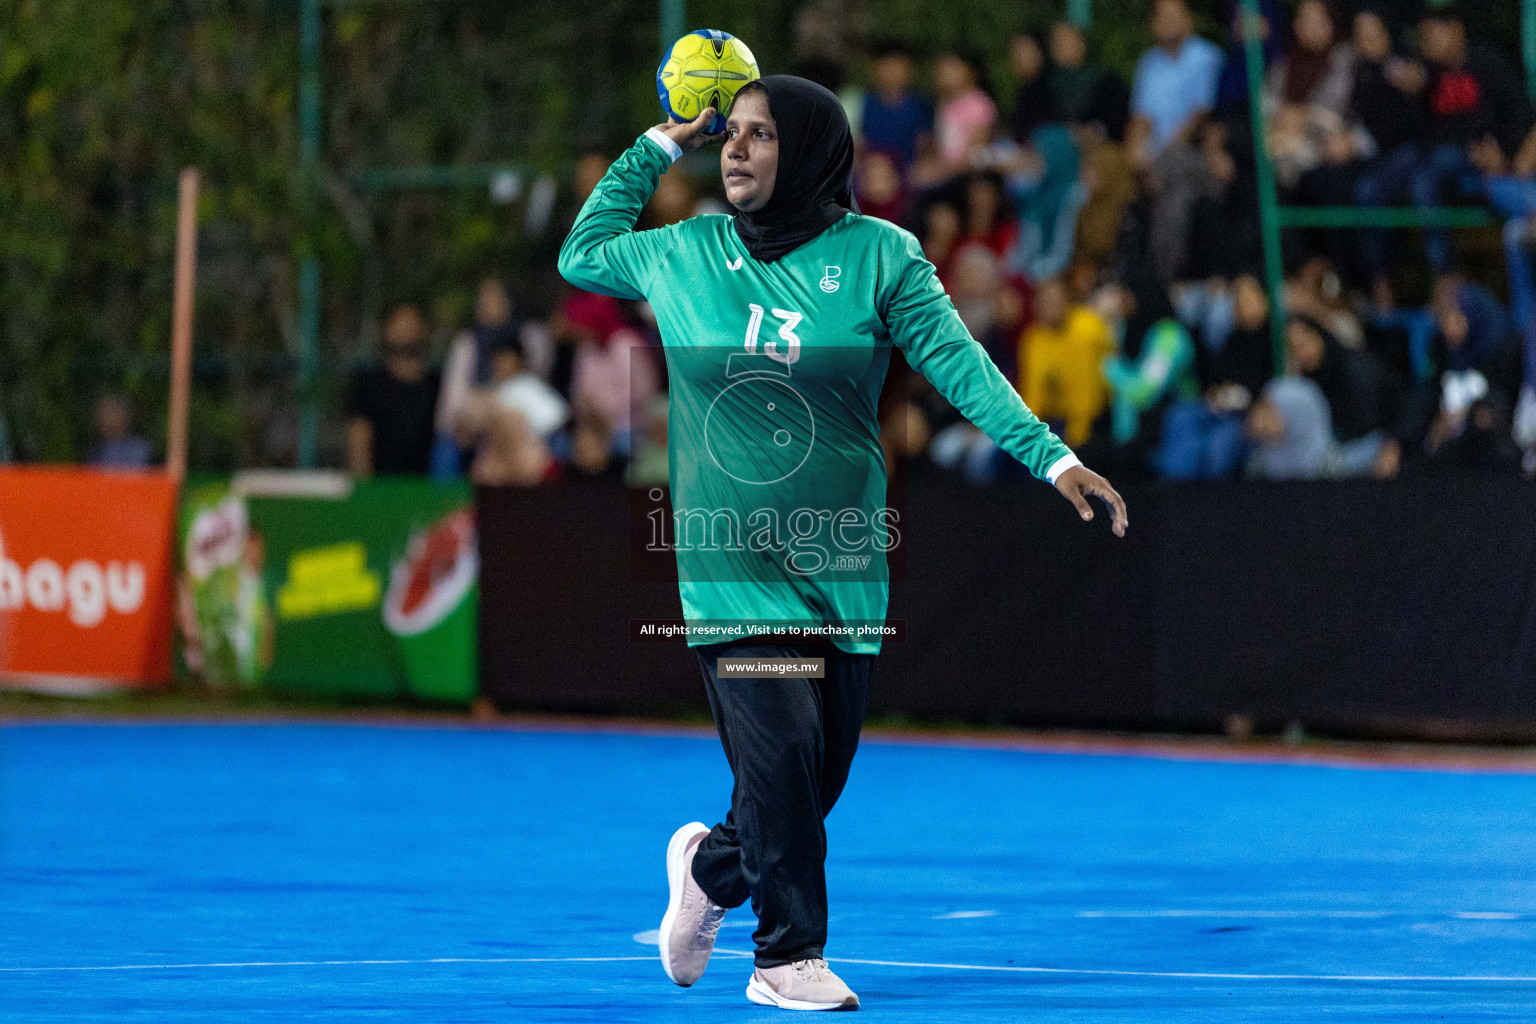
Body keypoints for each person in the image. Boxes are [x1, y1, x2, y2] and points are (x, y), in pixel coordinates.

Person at [558, 77, 1126, 1011]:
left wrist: (1053, 458)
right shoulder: (686, 251)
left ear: (815, 153)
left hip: (843, 565)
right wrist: (660, 143)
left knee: (809, 786)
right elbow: (583, 254)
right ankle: (786, 959)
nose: (736, 150)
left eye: (761, 136)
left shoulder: (880, 257)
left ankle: (708, 870)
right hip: (729, 567)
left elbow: (959, 365)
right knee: (780, 762)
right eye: (729, 135)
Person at [1127, 0, 1225, 281]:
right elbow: (1140, 120)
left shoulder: (1207, 56)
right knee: (1175, 198)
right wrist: (1134, 155)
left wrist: (1158, 158)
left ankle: (1161, 279)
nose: (1168, 22)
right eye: (1162, 16)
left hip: (1196, 156)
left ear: (1188, 19)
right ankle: (1159, 281)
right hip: (1165, 165)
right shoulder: (1148, 64)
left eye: (1174, 15)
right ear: (1153, 24)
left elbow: (1201, 116)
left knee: (1171, 170)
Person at [1017, 276, 1114, 449]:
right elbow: (1033, 391)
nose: (1051, 305)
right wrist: (1027, 434)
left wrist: (1076, 437)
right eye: (1045, 300)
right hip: (1054, 420)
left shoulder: (1086, 328)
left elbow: (1086, 392)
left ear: (1068, 299)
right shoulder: (1033, 338)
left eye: (1056, 299)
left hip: (1095, 420)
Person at [345, 304, 440, 478]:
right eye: (399, 325)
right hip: (382, 488)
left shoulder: (438, 384)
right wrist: (365, 490)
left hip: (428, 487)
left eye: (411, 325)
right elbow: (359, 436)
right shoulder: (368, 383)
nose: (406, 332)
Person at [857, 40, 932, 173]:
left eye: (898, 67)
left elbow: (925, 145)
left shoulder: (920, 105)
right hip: (873, 171)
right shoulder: (866, 102)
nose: (893, 73)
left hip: (908, 171)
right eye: (887, 67)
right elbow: (861, 142)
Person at [89, 394, 153, 469]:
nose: (106, 418)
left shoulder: (140, 450)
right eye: (103, 414)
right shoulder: (96, 452)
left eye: (112, 412)